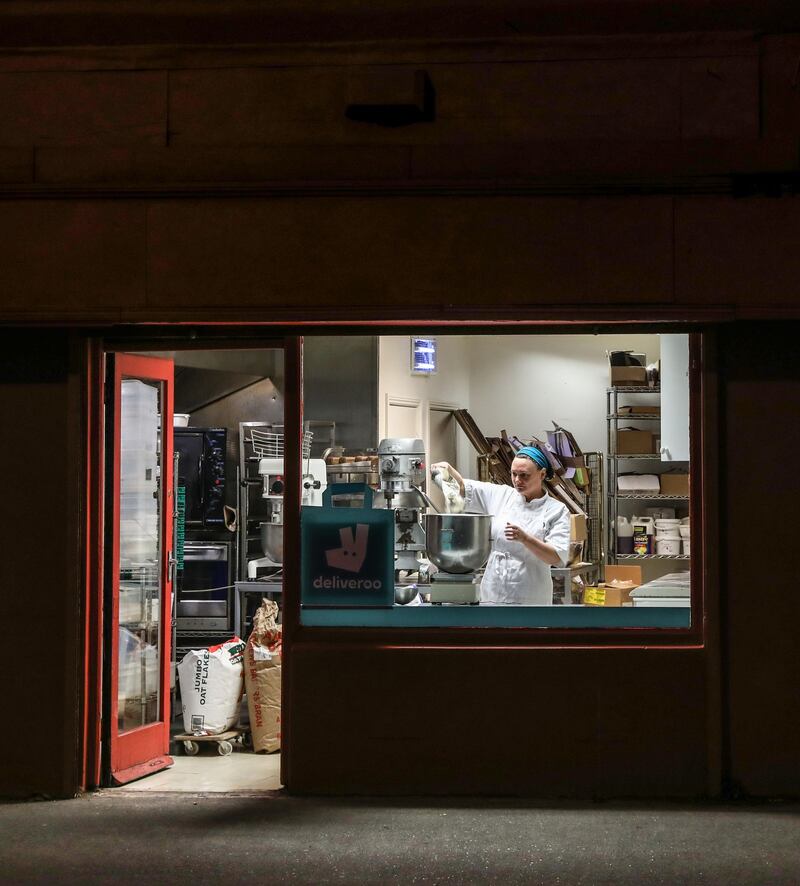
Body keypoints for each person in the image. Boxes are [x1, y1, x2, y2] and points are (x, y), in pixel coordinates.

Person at [431, 446, 571, 605]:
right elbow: (462, 487)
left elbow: (556, 557)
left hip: (530, 596)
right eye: (514, 474)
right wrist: (447, 469)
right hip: (494, 590)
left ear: (542, 474)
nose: (517, 480)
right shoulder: (501, 495)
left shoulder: (556, 510)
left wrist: (525, 539)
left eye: (524, 475)